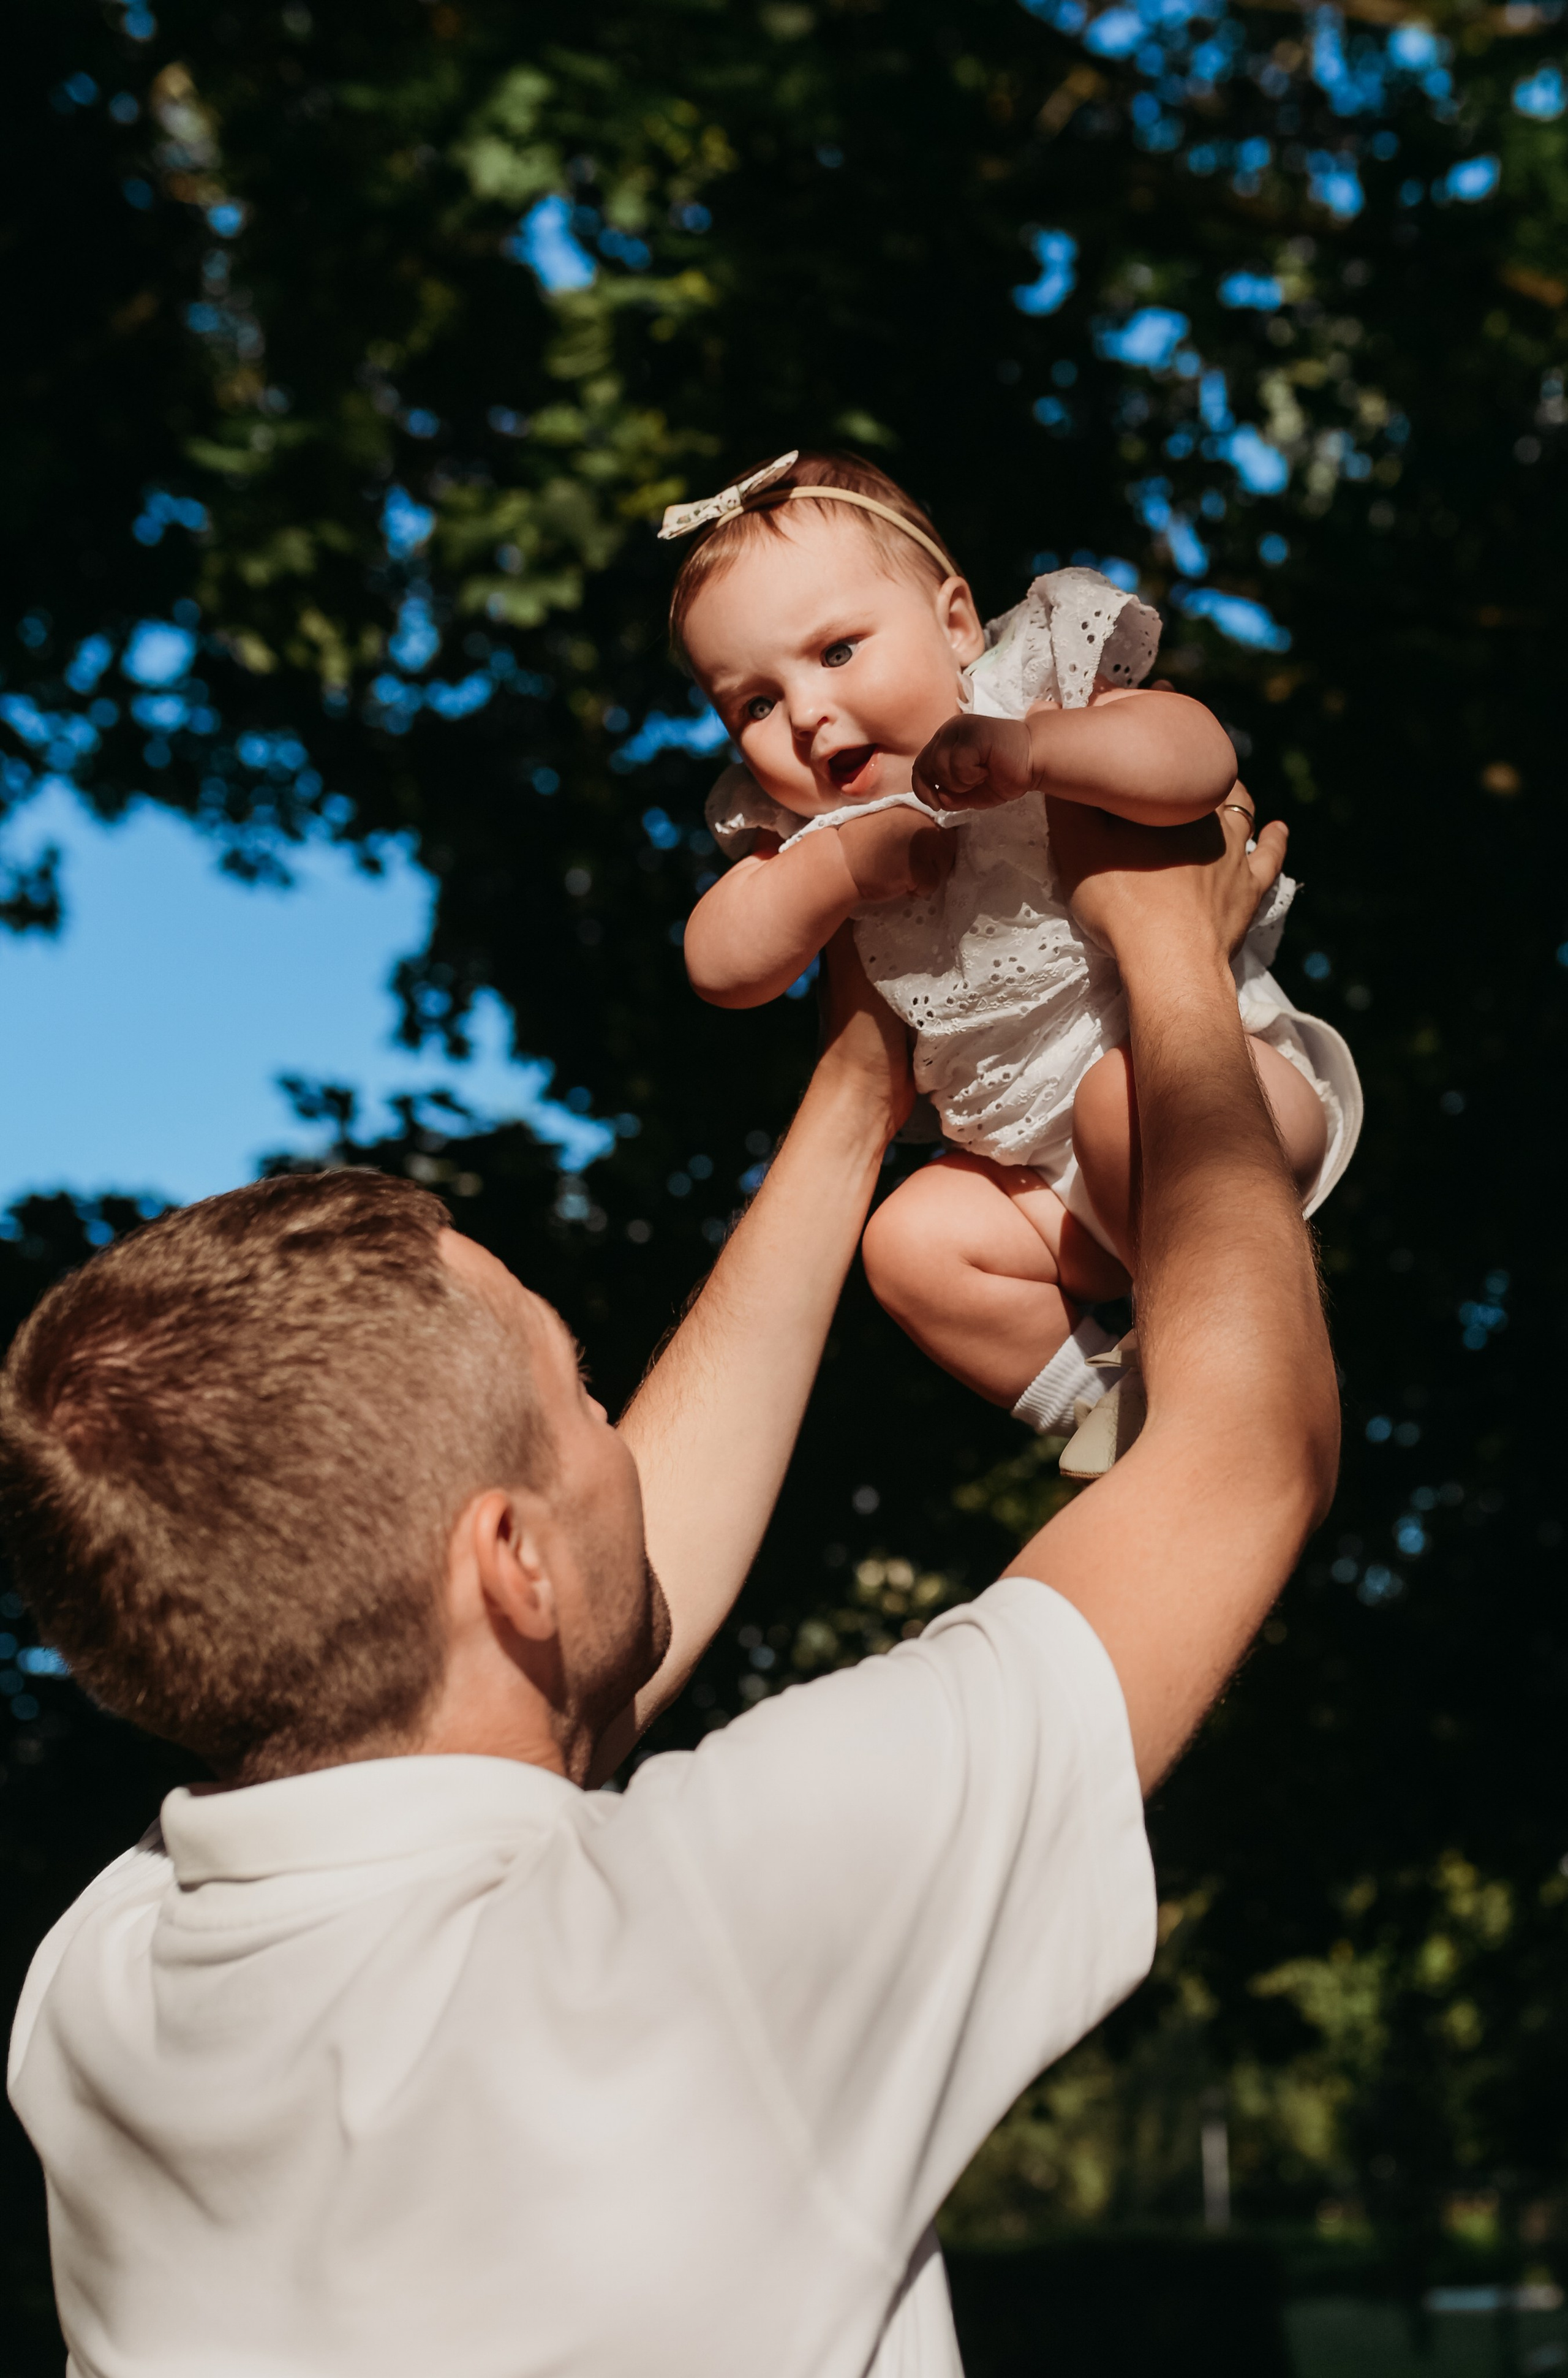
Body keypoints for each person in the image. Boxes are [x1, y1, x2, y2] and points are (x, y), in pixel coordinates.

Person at [1, 799, 1338, 2378]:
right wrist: (1169, 957)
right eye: (576, 1391)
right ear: (507, 1557)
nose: (614, 1436)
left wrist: (855, 1091)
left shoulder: (102, 1999)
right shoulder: (716, 1932)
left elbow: (561, 1652)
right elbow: (1245, 1456)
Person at [669, 450, 1360, 1472]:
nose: (806, 713)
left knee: (1112, 1102)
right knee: (909, 1244)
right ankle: (1111, 1404)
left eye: (837, 650)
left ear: (954, 623)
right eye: (754, 705)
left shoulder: (1027, 690)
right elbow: (720, 964)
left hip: (1226, 1092)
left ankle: (1206, 1347)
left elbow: (1195, 757)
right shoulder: (812, 836)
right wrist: (837, 874)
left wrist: (1040, 754)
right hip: (1049, 1190)